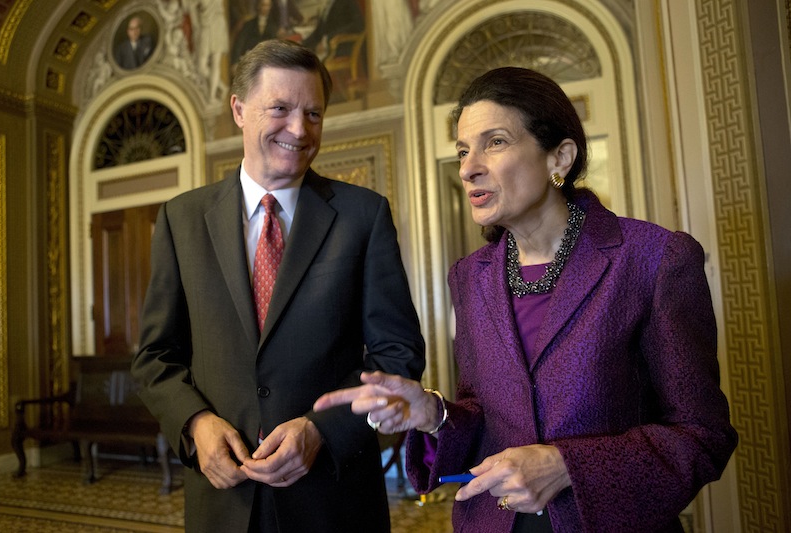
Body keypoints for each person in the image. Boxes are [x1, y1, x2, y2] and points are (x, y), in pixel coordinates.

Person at [314, 66, 738, 532]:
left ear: (560, 158)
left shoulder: (654, 259)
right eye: (462, 150)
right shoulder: (469, 278)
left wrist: (565, 465)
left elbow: (702, 436)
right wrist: (434, 415)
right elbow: (485, 418)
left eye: (494, 142)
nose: (468, 166)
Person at [131, 39, 425, 532]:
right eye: (281, 109)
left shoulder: (363, 215)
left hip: (333, 498)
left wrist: (322, 431)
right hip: (222, 498)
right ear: (239, 110)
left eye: (313, 113)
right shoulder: (181, 219)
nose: (299, 129)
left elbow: (398, 355)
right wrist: (195, 424)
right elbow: (155, 356)